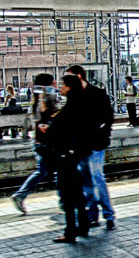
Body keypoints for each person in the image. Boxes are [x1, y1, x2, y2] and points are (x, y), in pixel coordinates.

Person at [65, 64, 116, 230]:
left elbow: (108, 117)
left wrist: (102, 133)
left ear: (79, 76)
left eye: (69, 78)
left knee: (97, 177)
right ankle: (93, 215)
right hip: (80, 146)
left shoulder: (97, 93)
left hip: (96, 144)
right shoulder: (73, 96)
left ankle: (109, 215)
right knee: (86, 182)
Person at [45, 73, 90, 243]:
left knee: (68, 197)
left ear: (70, 87)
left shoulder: (71, 106)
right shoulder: (79, 104)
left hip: (66, 158)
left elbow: (59, 129)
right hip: (75, 155)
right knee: (77, 195)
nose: (61, 88)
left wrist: (47, 129)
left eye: (63, 85)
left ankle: (70, 231)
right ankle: (83, 226)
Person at [10, 73, 58, 214]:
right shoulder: (43, 101)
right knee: (58, 170)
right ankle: (67, 201)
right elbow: (43, 117)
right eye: (52, 82)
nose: (55, 83)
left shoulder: (39, 101)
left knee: (43, 171)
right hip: (46, 142)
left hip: (41, 142)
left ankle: (21, 195)